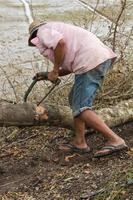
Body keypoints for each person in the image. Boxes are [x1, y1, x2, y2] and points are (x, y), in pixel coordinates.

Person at [28, 20, 128, 157]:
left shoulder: (42, 31)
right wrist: (48, 74)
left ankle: (115, 139)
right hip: (98, 58)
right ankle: (80, 142)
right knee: (74, 98)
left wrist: (55, 70)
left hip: (89, 61)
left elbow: (60, 43)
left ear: (34, 37)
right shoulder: (60, 28)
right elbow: (69, 65)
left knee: (81, 108)